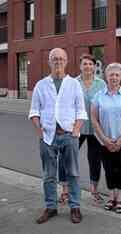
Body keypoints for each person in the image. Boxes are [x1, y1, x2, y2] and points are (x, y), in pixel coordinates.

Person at [29, 48, 87, 224]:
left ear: (67, 61)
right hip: (48, 137)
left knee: (73, 173)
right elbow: (34, 111)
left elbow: (81, 110)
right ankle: (51, 207)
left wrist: (76, 130)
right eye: (55, 59)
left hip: (69, 135)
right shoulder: (41, 85)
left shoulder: (74, 84)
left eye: (61, 59)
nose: (58, 62)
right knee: (49, 175)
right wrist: (39, 131)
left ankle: (75, 206)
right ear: (49, 61)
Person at [58, 53, 106, 205]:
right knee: (66, 158)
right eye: (85, 64)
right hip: (75, 128)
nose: (88, 67)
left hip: (95, 129)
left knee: (95, 160)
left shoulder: (101, 84)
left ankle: (94, 190)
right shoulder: (72, 83)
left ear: (95, 66)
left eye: (91, 64)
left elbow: (105, 106)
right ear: (80, 66)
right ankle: (65, 190)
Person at [91, 63, 121, 213]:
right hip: (104, 142)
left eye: (117, 75)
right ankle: (111, 197)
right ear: (106, 76)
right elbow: (94, 119)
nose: (114, 77)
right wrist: (104, 139)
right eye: (111, 75)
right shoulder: (98, 96)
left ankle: (120, 199)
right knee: (108, 169)